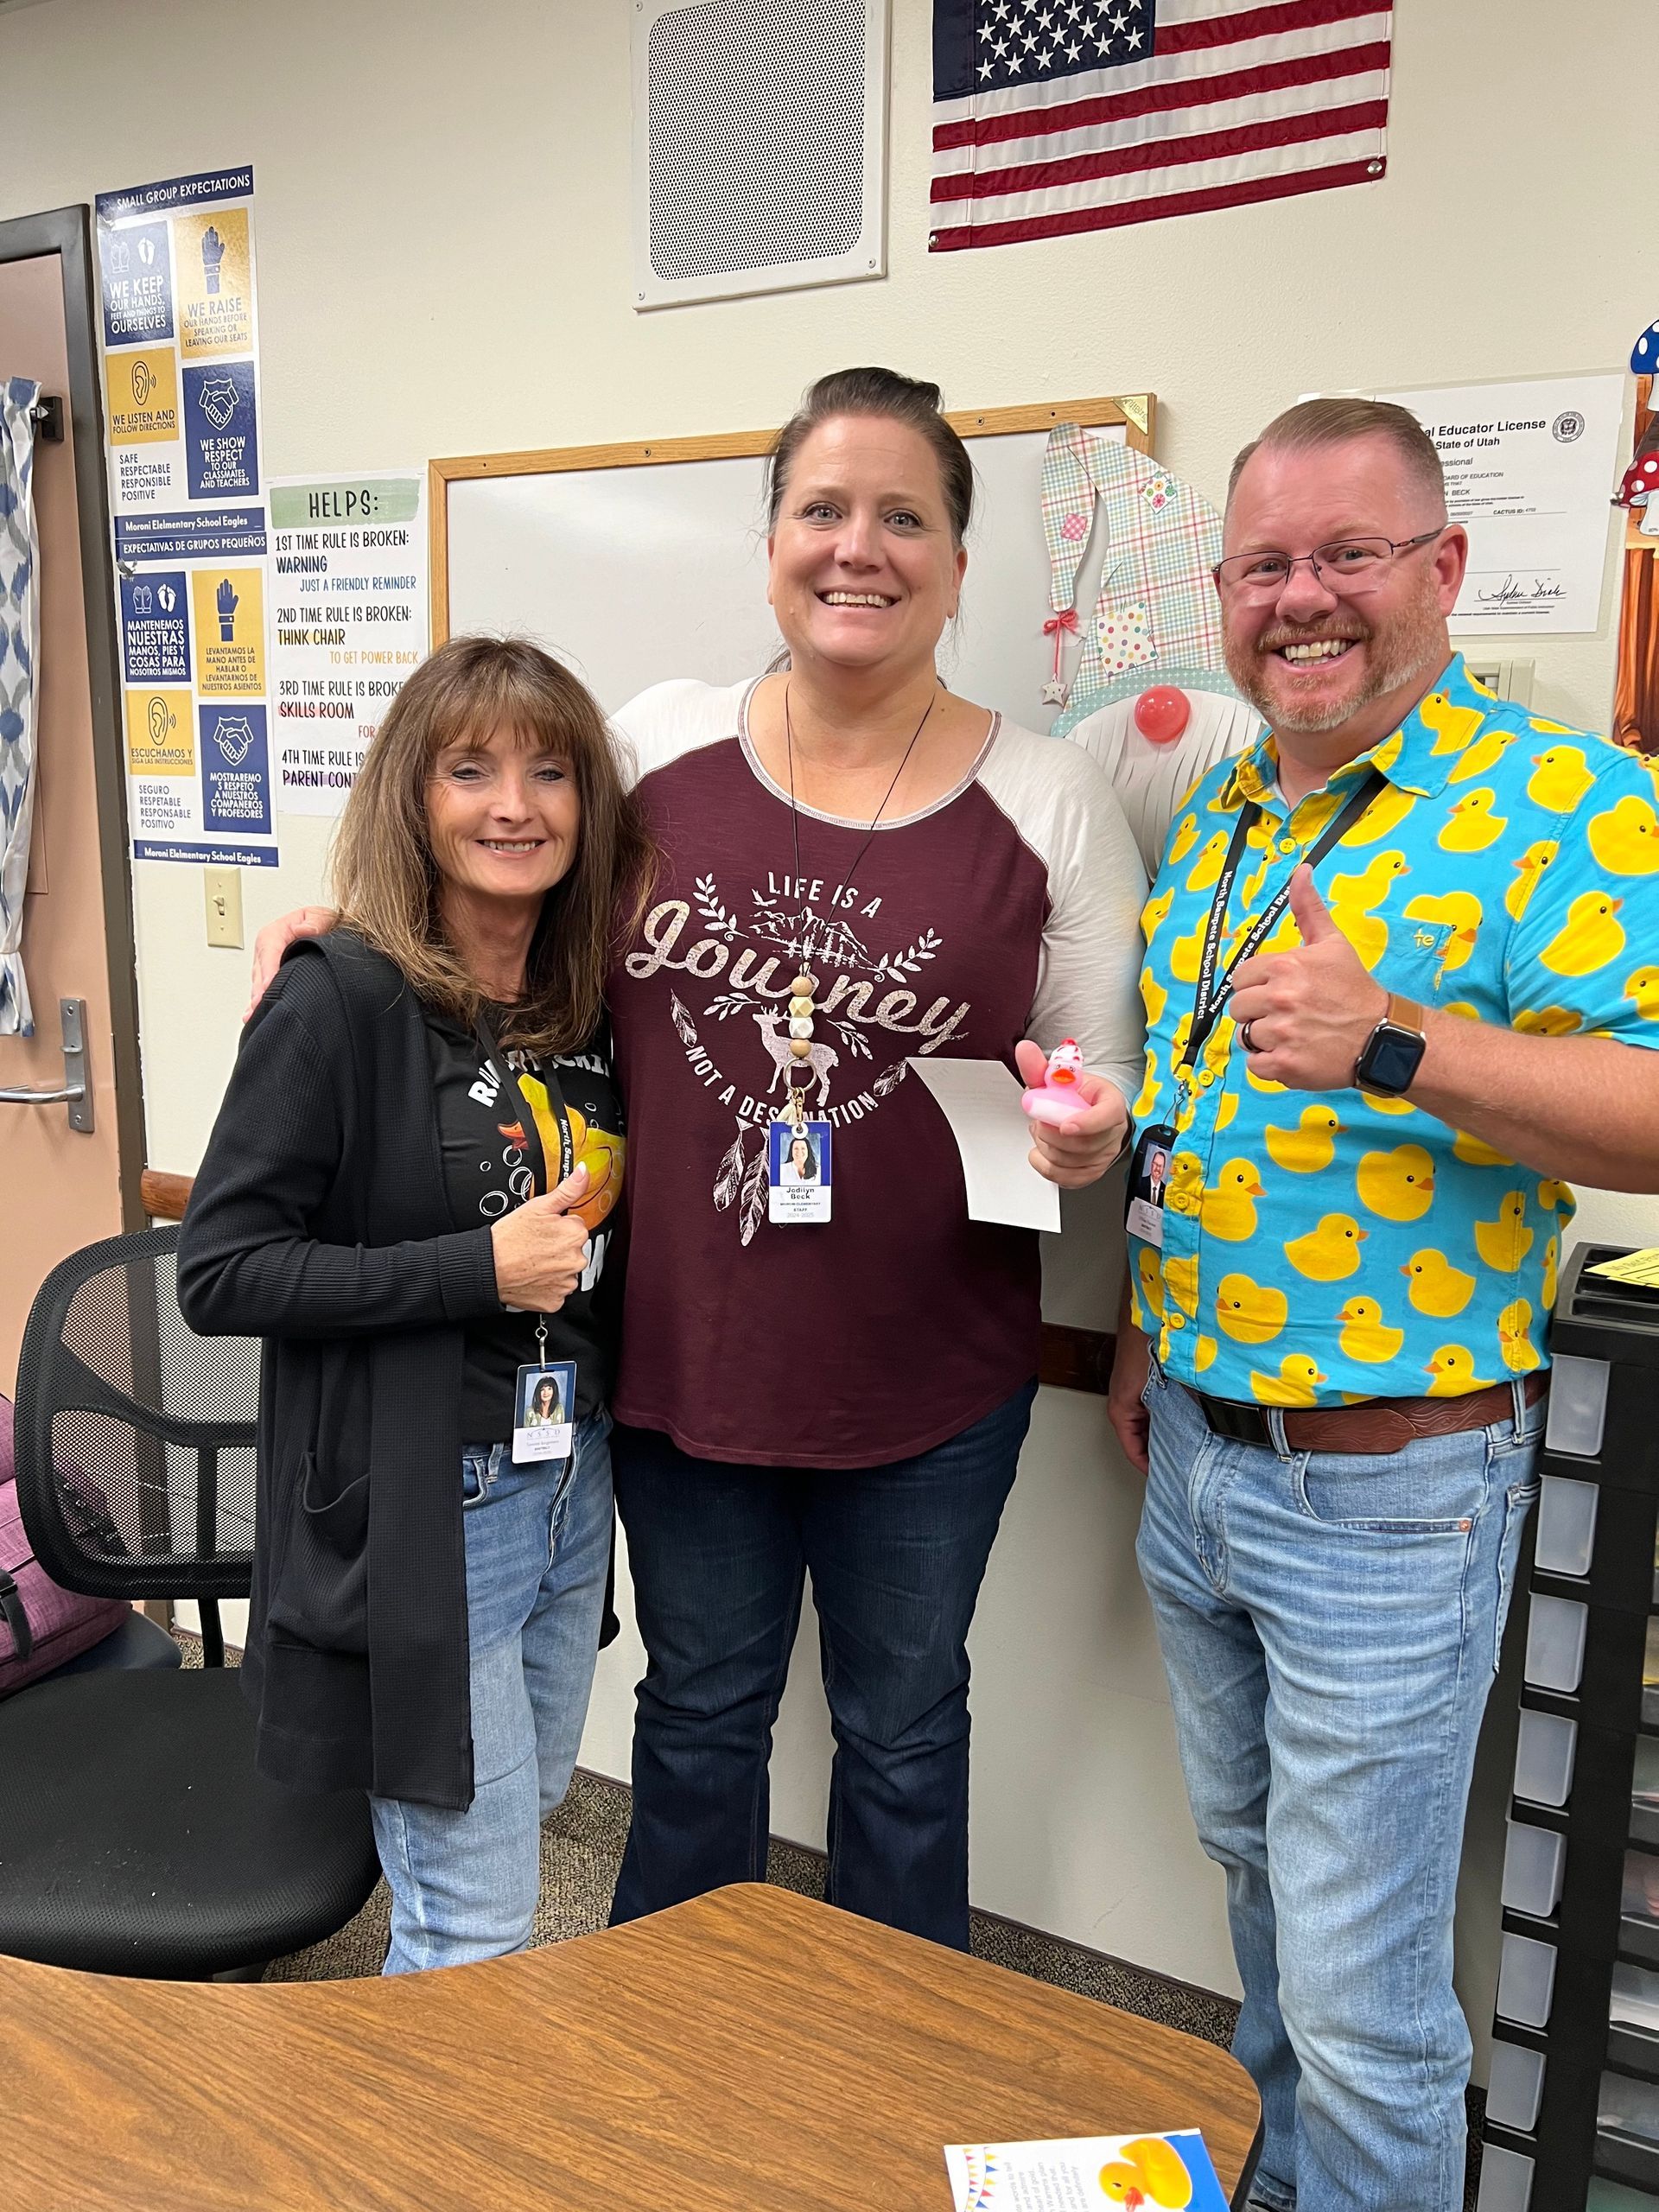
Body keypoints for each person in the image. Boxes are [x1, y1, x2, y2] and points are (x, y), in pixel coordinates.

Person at [251, 365, 1148, 1953]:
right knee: (700, 1720)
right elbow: (489, 883)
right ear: (772, 541)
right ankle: (682, 2088)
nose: (856, 547)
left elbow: (1091, 1087)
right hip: (679, 1362)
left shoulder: (1053, 796)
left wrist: (1087, 1137)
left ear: (955, 558)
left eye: (903, 517)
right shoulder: (654, 748)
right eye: (821, 509)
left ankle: (887, 2076)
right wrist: (347, 938)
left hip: (931, 1388)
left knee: (903, 1736)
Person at [1110, 397, 1659, 2212]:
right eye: (1267, 563)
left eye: (1350, 554)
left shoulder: (1561, 803)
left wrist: (1400, 1043)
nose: (1304, 598)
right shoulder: (1227, 810)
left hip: (1389, 1487)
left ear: (1444, 568)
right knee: (1262, 1886)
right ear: (1224, 590)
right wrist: (1136, 1329)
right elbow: (1208, 1106)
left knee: (1361, 1994)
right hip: (1199, 1451)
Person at [180, 636, 652, 1973]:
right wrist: (473, 1271)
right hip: (429, 1504)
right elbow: (220, 1270)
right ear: (414, 797)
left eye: (551, 772)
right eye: (472, 769)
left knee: (519, 1829)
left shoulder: (580, 1005)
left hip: (568, 1483)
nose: (516, 804)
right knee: (475, 1919)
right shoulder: (343, 1001)